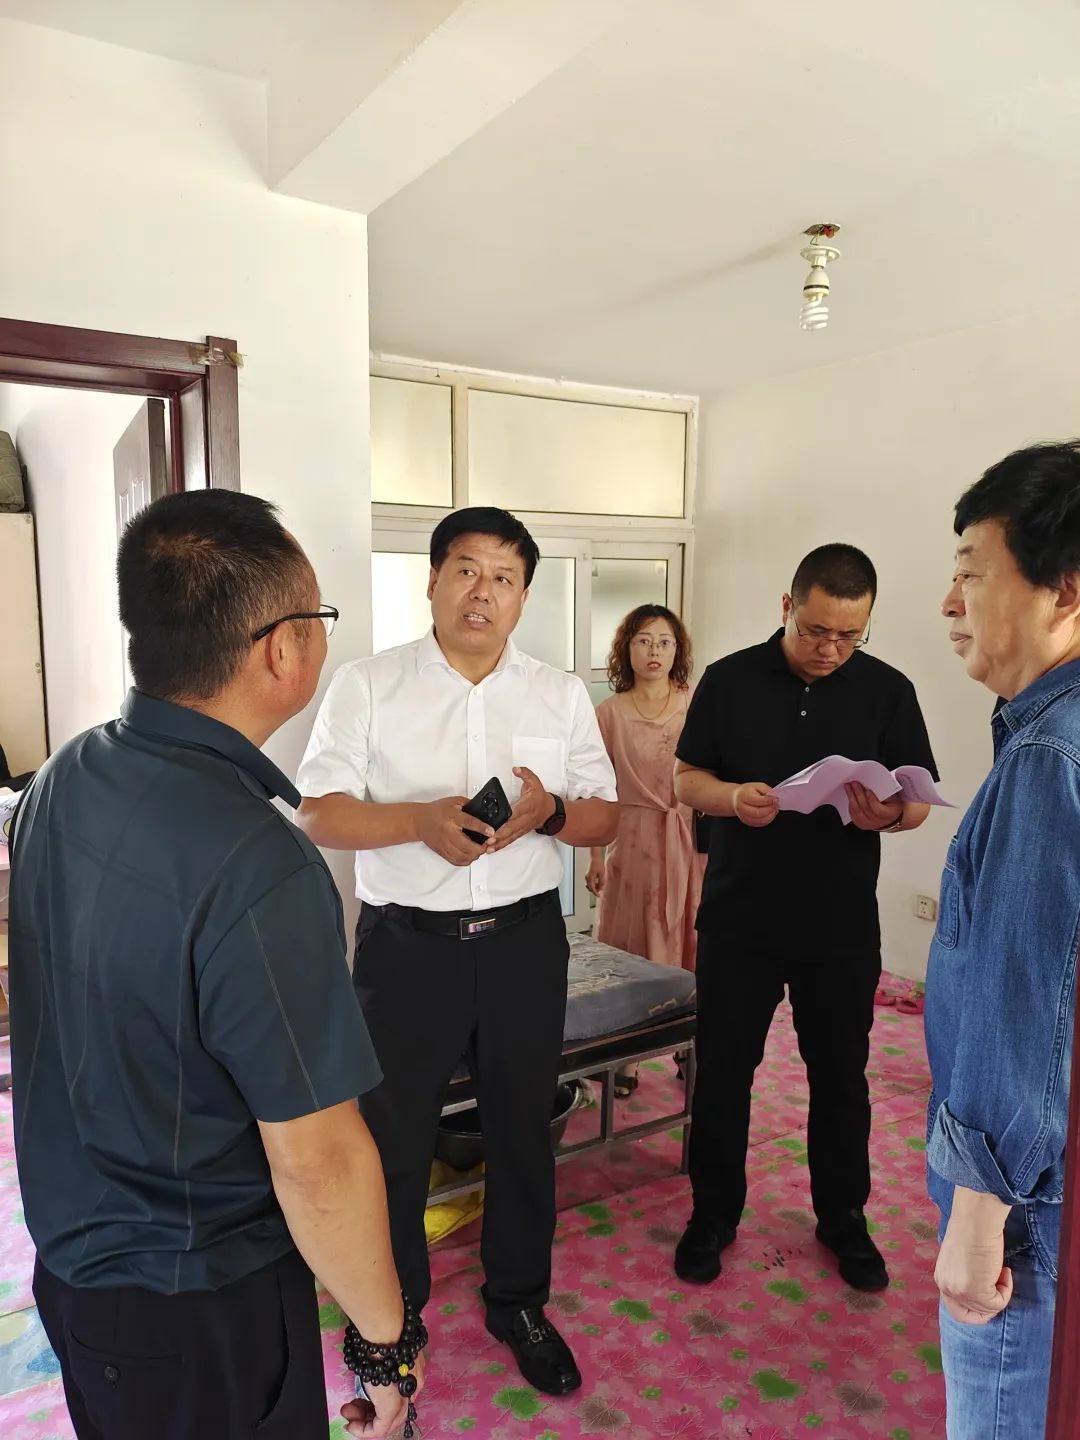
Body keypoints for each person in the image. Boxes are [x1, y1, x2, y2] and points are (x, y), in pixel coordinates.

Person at [8, 490, 419, 1440]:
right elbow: (317, 1160)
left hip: (74, 1268)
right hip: (197, 1303)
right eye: (318, 616)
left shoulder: (66, 772)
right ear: (280, 650)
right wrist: (385, 1343)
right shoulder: (260, 866)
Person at [296, 505, 618, 1398]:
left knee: (523, 1132)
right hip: (408, 950)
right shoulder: (368, 684)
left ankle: (518, 1302)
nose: (484, 591)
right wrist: (417, 821)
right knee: (392, 1142)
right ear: (433, 580)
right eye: (467, 570)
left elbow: (604, 817)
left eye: (504, 577)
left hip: (524, 945)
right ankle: (392, 1315)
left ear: (524, 597)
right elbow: (318, 812)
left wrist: (550, 812)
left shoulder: (558, 692)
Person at [672, 544, 937, 1291]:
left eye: (850, 635)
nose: (831, 649)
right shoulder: (729, 679)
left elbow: (918, 801)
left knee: (841, 1079)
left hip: (839, 925)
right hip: (740, 918)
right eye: (817, 630)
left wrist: (891, 813)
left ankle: (843, 1219)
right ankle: (712, 1215)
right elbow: (687, 778)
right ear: (787, 607)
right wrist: (732, 799)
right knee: (724, 1075)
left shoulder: (888, 690)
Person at [928, 441, 1080, 1439]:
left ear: (1064, 589)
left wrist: (980, 1215)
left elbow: (1025, 993)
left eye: (973, 575)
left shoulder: (1048, 754)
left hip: (1024, 1206)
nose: (951, 604)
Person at [586, 604, 705, 1096]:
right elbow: (597, 790)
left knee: (692, 938)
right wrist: (595, 856)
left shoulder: (696, 703)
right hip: (632, 841)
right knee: (631, 942)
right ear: (626, 648)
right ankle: (627, 1056)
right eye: (643, 641)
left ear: (677, 651)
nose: (654, 651)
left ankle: (689, 1045)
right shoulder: (609, 713)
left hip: (690, 839)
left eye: (664, 642)